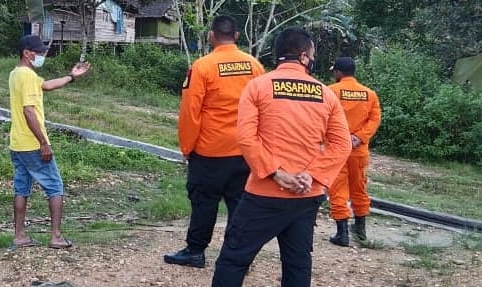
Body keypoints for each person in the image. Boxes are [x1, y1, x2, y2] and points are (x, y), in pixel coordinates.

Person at [211, 27, 352, 287]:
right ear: (303, 56)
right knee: (297, 262)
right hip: (306, 193)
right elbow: (342, 145)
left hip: (264, 193)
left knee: (234, 258)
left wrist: (276, 173)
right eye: (312, 53)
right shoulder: (326, 93)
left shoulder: (257, 87)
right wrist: (311, 175)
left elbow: (246, 138)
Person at [164, 15, 264, 269]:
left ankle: (195, 251)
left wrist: (187, 147)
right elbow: (264, 108)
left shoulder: (203, 66)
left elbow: (190, 111)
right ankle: (238, 257)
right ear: (237, 36)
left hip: (209, 151)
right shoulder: (254, 66)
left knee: (204, 203)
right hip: (244, 150)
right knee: (240, 207)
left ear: (211, 36)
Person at [8, 34, 89, 250]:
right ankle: (55, 237)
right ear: (27, 53)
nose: (42, 55)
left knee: (21, 189)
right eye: (39, 52)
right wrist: (44, 142)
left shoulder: (18, 74)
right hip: (33, 144)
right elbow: (29, 111)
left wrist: (72, 76)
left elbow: (46, 85)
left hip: (17, 145)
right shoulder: (27, 77)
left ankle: (19, 236)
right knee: (55, 187)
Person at [327, 56, 382, 246]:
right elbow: (374, 120)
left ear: (338, 73)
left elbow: (322, 117)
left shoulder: (330, 91)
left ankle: (342, 234)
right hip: (359, 151)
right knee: (359, 188)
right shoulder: (370, 94)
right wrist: (359, 137)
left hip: (336, 149)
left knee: (337, 189)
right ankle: (360, 231)